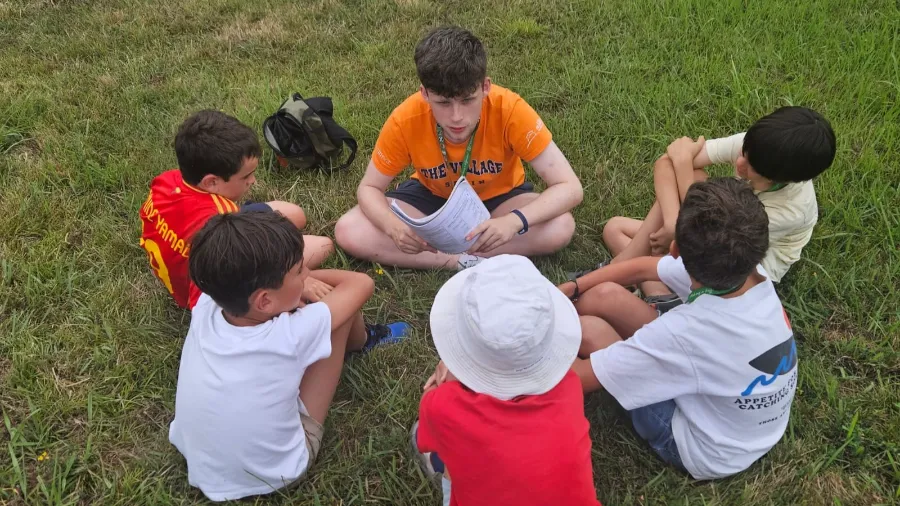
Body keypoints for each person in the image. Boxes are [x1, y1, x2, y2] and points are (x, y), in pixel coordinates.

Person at [561, 178, 799, 480]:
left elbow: (577, 381)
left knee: (589, 330)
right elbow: (644, 268)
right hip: (744, 424)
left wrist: (537, 326)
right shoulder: (748, 272)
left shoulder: (686, 331)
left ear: (673, 249)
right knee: (604, 296)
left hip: (701, 447)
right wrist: (573, 287)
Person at [168, 211, 409, 501]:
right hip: (277, 471)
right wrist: (309, 286)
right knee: (336, 310)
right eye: (299, 271)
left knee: (317, 307)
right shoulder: (289, 336)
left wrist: (294, 286)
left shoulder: (206, 303)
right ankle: (365, 341)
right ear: (264, 300)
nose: (306, 274)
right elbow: (359, 284)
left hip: (198, 456)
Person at [335, 26, 583, 270]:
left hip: (501, 199)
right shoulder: (405, 119)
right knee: (349, 229)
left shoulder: (510, 110)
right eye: (443, 103)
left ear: (485, 87)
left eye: (467, 100)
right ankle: (462, 260)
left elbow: (570, 187)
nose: (456, 117)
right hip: (432, 197)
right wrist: (394, 228)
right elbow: (369, 188)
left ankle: (445, 253)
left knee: (561, 226)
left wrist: (513, 222)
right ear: (424, 93)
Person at [594, 106, 835, 306]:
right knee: (615, 228)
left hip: (738, 266)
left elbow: (710, 234)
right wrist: (673, 222)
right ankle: (648, 283)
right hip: (710, 229)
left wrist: (680, 222)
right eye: (743, 153)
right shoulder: (758, 148)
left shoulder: (793, 211)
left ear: (778, 180)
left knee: (689, 179)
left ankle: (627, 275)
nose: (739, 163)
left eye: (750, 168)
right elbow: (667, 163)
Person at [410, 255, 602, 505]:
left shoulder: (442, 404)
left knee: (433, 444)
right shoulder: (569, 386)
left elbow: (427, 432)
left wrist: (444, 381)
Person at [139, 109, 334, 309]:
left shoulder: (168, 179)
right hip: (211, 289)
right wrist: (300, 279)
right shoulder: (223, 224)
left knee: (295, 214)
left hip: (191, 255)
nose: (253, 181)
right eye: (245, 176)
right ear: (212, 182)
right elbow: (244, 270)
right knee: (323, 245)